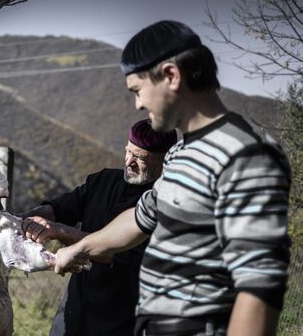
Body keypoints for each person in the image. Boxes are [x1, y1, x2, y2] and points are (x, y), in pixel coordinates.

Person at [53, 20, 291, 336]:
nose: (138, 104)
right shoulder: (182, 154)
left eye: (138, 90)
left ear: (171, 76)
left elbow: (260, 284)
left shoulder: (246, 154)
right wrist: (80, 247)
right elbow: (139, 220)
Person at [20, 119, 177, 336]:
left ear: (164, 161)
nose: (129, 162)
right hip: (73, 311)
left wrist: (59, 231)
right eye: (128, 151)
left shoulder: (163, 206)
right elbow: (59, 208)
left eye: (140, 158)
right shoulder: (103, 181)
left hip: (120, 319)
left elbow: (113, 253)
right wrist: (18, 219)